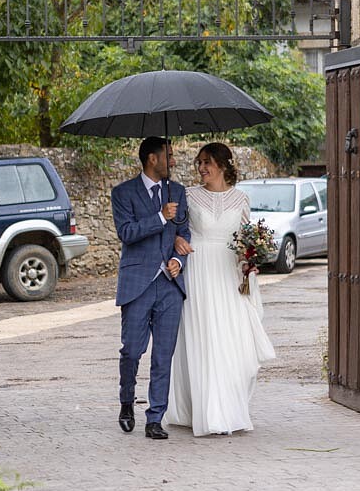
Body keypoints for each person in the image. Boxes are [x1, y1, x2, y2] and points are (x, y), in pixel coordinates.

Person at [166, 142, 275, 436]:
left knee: (233, 340)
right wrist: (177, 241)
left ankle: (229, 406)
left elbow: (243, 240)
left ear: (223, 165)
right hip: (198, 270)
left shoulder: (241, 199)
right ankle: (206, 411)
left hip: (227, 273)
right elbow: (175, 230)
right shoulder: (188, 195)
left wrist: (249, 262)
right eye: (199, 163)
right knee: (204, 338)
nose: (201, 168)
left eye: (207, 162)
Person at [111, 137, 191, 440]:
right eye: (168, 156)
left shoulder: (179, 192)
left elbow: (184, 234)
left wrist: (177, 261)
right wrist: (160, 217)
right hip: (136, 285)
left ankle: (155, 416)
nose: (173, 160)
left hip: (170, 286)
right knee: (132, 350)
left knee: (163, 355)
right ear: (152, 159)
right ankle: (126, 401)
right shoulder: (123, 193)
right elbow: (127, 233)